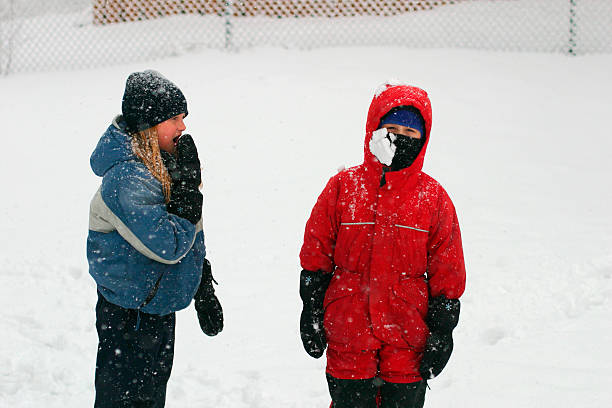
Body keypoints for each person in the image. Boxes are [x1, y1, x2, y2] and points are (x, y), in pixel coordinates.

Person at [299, 83, 466, 408]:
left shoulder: (432, 198)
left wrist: (442, 331)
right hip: (349, 331)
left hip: (407, 337)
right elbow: (316, 254)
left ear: (423, 138)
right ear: (374, 129)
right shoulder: (344, 188)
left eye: (409, 131)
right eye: (391, 128)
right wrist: (311, 309)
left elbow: (448, 269)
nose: (400, 137)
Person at [87, 70, 223, 408]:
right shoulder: (126, 178)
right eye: (174, 118)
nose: (183, 127)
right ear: (149, 124)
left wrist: (201, 281)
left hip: (156, 308)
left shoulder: (163, 164)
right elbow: (169, 245)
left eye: (184, 117)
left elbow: (191, 232)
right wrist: (189, 194)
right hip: (129, 317)